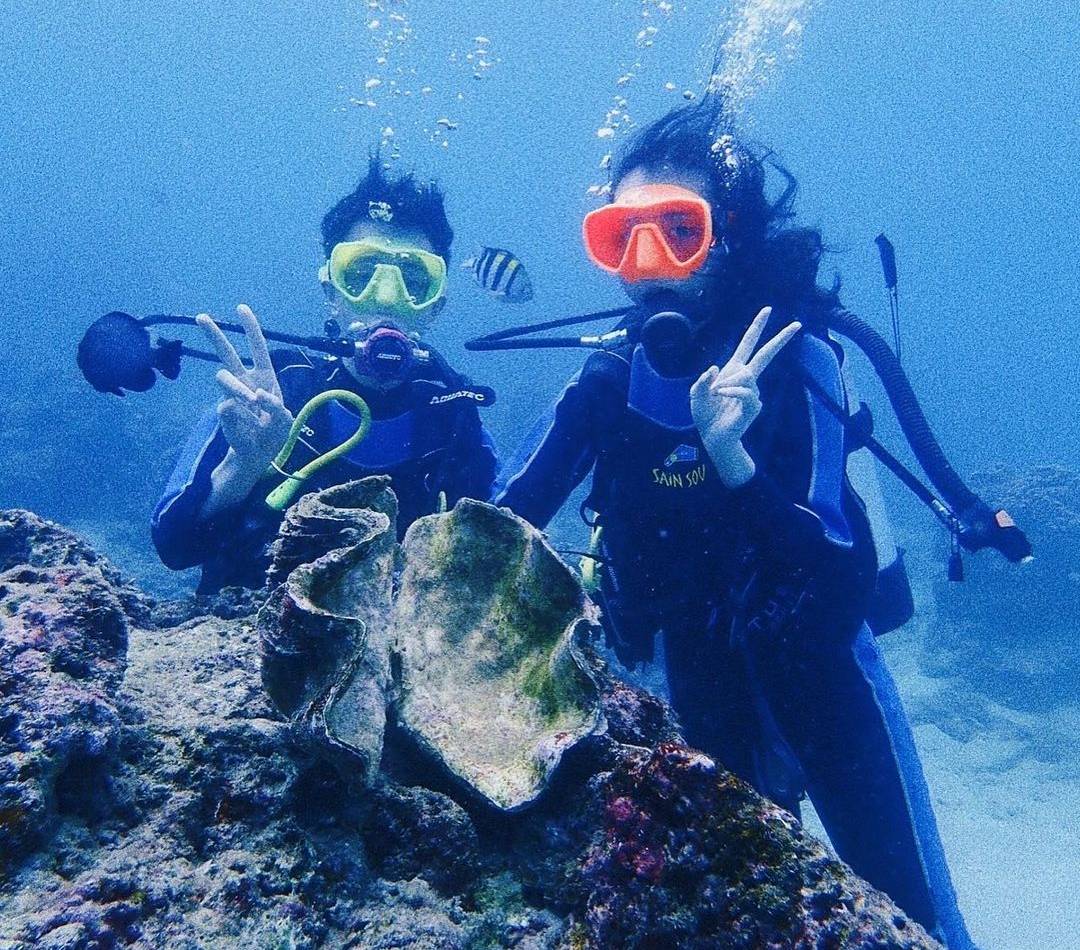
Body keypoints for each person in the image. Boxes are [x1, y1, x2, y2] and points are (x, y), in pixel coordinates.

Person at [493, 101, 976, 948]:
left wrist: (734, 460)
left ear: (732, 237)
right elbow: (497, 525)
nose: (650, 266)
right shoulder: (609, 379)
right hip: (692, 678)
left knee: (916, 922)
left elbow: (835, 570)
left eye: (678, 229)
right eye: (622, 237)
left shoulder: (804, 362)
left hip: (827, 679)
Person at [152, 157, 497, 592]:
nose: (386, 299)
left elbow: (497, 555)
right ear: (331, 293)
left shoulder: (453, 412)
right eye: (360, 275)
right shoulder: (273, 390)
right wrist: (242, 466)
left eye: (414, 279)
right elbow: (174, 547)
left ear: (436, 305)